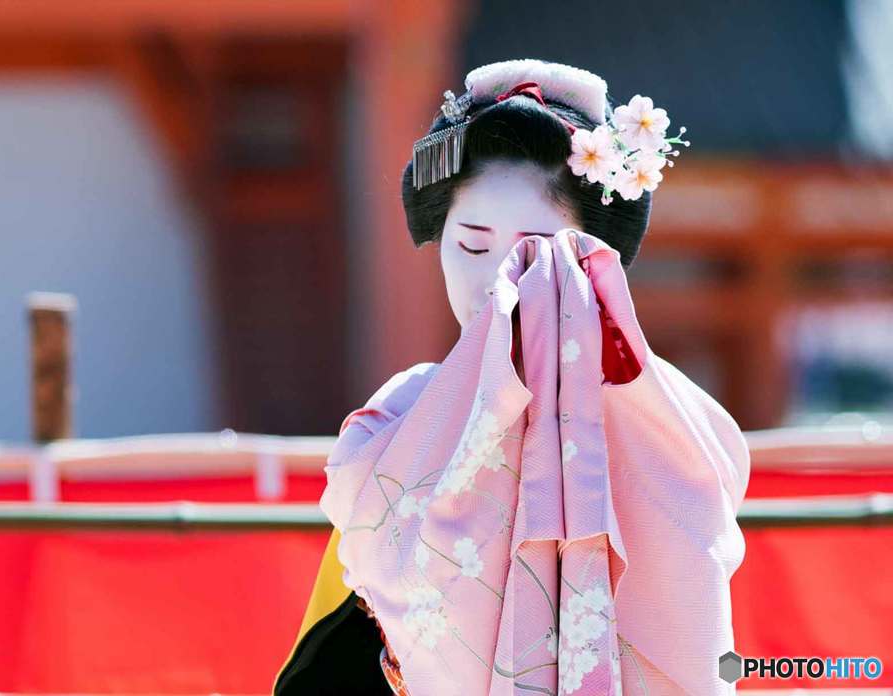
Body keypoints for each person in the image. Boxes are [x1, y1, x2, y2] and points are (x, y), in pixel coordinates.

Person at [274, 58, 747, 695]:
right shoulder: (399, 416)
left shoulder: (671, 424)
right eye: (471, 245)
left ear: (592, 259)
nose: (498, 281)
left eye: (535, 252)